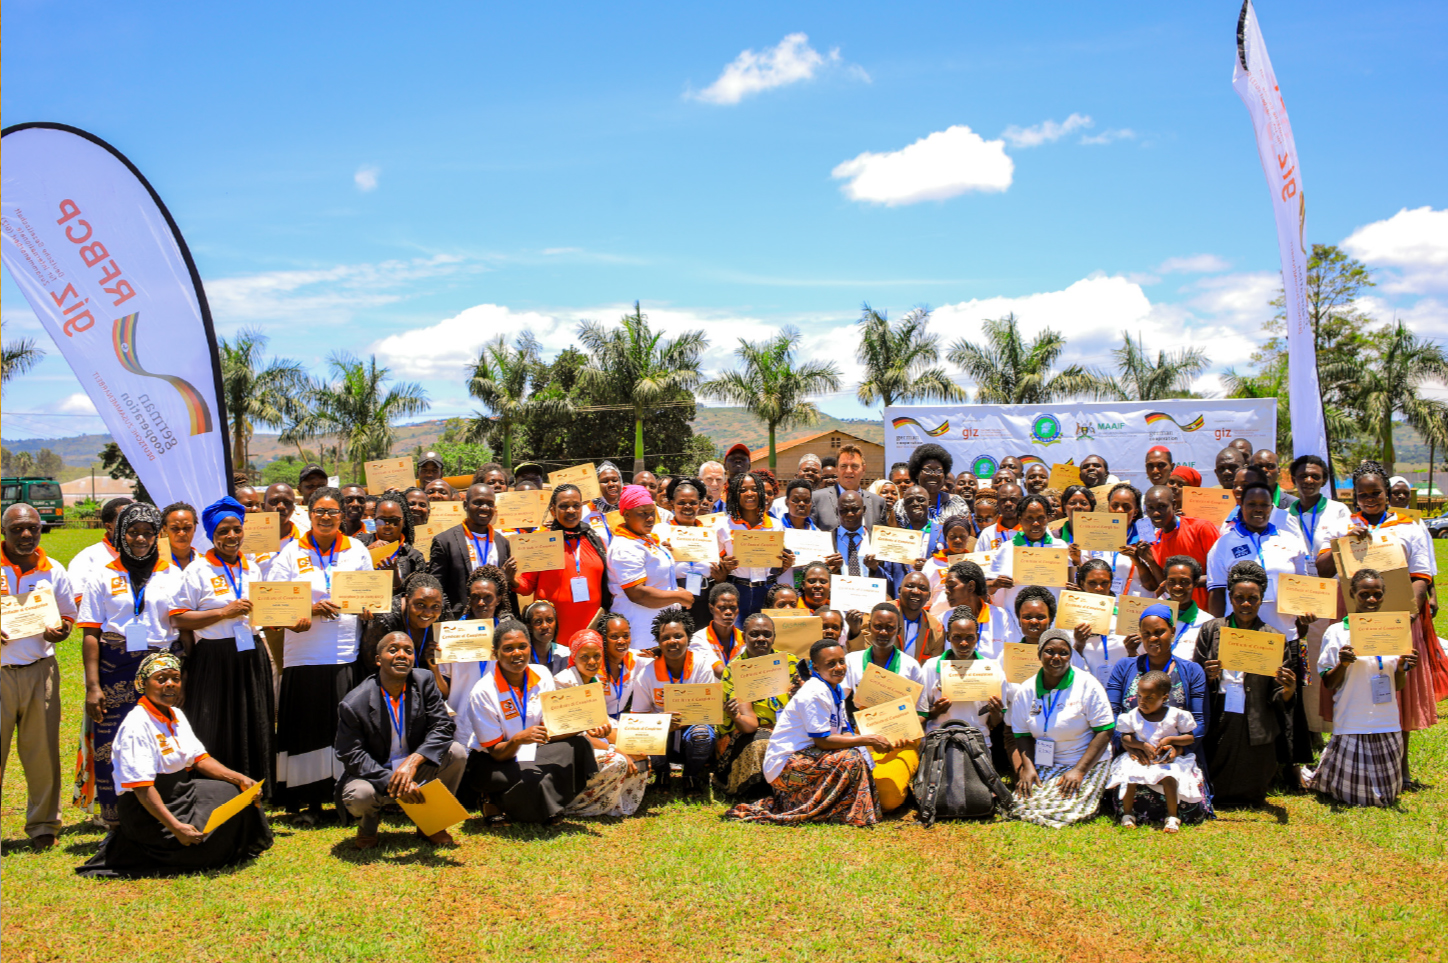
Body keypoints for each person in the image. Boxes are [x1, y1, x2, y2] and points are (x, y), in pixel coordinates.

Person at [76, 653, 272, 877]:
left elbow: (200, 759)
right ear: (142, 684)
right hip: (148, 812)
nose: (170, 684)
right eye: (161, 679)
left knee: (236, 792)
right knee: (202, 853)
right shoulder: (136, 725)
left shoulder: (175, 713)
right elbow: (142, 788)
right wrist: (176, 828)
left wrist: (239, 778)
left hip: (182, 792)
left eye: (175, 678)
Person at [1314, 461, 1444, 787]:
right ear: (1354, 497)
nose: (1370, 499)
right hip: (1353, 616)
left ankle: (1401, 767)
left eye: (1376, 493)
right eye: (1363, 494)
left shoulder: (1409, 527)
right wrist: (1342, 542)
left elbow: (1421, 574)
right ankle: (1349, 756)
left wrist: (1409, 609)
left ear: (1387, 493)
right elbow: (1322, 569)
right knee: (1355, 681)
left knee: (1398, 687)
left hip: (1397, 617)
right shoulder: (1343, 525)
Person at [75, 502, 185, 827]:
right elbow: (91, 633)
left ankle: (157, 819)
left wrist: (184, 674)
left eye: (148, 533)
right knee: (111, 745)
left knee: (159, 740)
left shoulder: (171, 573)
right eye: (133, 532)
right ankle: (115, 822)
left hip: (159, 669)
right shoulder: (101, 575)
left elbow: (180, 625)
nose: (140, 539)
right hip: (114, 670)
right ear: (121, 534)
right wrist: (93, 686)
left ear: (157, 536)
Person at [270, 487, 375, 822]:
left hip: (345, 654)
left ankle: (343, 796)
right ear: (309, 514)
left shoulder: (356, 550)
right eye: (319, 511)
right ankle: (307, 803)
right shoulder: (289, 552)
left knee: (340, 729)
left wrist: (369, 608)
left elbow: (370, 594)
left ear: (342, 516)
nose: (326, 517)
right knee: (307, 730)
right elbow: (272, 608)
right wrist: (312, 609)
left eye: (332, 512)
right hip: (304, 657)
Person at [169, 497, 275, 793]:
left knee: (253, 721)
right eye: (223, 532)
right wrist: (223, 613)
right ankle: (216, 790)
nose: (231, 537)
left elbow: (265, 609)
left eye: (236, 530)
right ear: (212, 536)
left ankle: (255, 790)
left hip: (251, 654)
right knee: (215, 724)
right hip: (214, 658)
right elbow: (179, 618)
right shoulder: (198, 570)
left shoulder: (253, 567)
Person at [725, 639, 888, 826]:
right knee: (851, 757)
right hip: (784, 767)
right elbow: (824, 742)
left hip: (808, 757)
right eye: (831, 664)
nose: (839, 667)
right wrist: (868, 739)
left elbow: (844, 732)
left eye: (841, 661)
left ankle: (844, 811)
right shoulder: (814, 692)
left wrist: (869, 741)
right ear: (815, 667)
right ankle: (846, 813)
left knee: (856, 753)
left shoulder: (835, 690)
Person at [461, 619, 600, 824]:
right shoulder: (482, 691)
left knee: (579, 745)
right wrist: (518, 740)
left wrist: (585, 725)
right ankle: (491, 798)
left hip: (532, 750)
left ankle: (532, 800)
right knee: (533, 777)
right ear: (495, 653)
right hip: (493, 760)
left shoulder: (542, 674)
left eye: (522, 646)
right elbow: (497, 753)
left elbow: (551, 728)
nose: (517, 653)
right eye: (508, 648)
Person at [336, 630, 467, 848]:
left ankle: (431, 823)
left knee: (456, 753)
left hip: (416, 768)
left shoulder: (424, 681)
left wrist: (413, 762)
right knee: (359, 795)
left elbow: (443, 726)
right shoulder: (354, 703)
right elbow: (351, 754)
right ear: (378, 660)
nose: (401, 655)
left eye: (408, 651)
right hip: (375, 774)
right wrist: (392, 780)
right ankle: (368, 827)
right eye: (393, 650)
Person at [1, 503, 78, 849]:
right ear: (4, 531)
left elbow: (67, 614)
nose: (26, 535)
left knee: (42, 752)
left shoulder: (54, 571)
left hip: (39, 670)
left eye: (32, 527)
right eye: (17, 529)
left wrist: (61, 631)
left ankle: (44, 825)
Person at [1308, 568, 1417, 807]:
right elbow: (1329, 682)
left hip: (1386, 723)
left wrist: (1400, 667)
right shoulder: (1336, 632)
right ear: (1352, 594)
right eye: (1364, 594)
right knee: (1355, 797)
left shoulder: (1394, 631)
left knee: (1386, 796)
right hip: (1352, 722)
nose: (1371, 600)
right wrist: (1343, 664)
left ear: (1383, 595)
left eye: (1377, 594)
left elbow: (1398, 685)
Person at [1192, 561, 1297, 807]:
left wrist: (1289, 690)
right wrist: (1207, 675)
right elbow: (1194, 678)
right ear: (1230, 598)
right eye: (1240, 598)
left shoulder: (1272, 638)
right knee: (1218, 752)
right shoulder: (1211, 630)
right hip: (1220, 710)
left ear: (1261, 599)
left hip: (1257, 713)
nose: (1246, 604)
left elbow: (1278, 695)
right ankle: (1214, 793)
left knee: (1253, 761)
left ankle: (1249, 794)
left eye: (1253, 598)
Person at [1104, 604, 1210, 825]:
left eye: (1159, 632)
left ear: (1172, 630)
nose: (1153, 639)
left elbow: (1199, 722)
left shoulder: (1191, 671)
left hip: (1175, 756)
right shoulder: (1124, 667)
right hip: (1135, 755)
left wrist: (1178, 748)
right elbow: (1111, 715)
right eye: (1147, 634)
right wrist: (1131, 746)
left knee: (1186, 800)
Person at [1007, 628, 1116, 828]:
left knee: (1061, 810)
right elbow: (1022, 734)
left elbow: (1105, 730)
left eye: (1064, 652)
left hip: (1084, 761)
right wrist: (1028, 768)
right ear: (1039, 654)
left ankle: (1088, 799)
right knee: (1021, 803)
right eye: (1049, 651)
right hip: (1046, 762)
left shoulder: (1088, 685)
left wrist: (1079, 771)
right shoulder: (1026, 690)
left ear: (1071, 655)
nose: (1056, 657)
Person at [550, 629, 649, 817]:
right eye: (585, 656)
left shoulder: (593, 680)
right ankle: (578, 806)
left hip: (592, 738)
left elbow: (601, 721)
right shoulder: (563, 682)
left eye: (596, 656)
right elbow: (577, 733)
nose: (592, 662)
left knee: (639, 749)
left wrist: (631, 746)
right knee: (618, 761)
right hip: (571, 744)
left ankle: (617, 803)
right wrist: (618, 750)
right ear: (574, 656)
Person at [843, 602, 922, 813]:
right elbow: (840, 703)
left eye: (890, 627)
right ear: (870, 628)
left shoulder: (911, 665)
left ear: (899, 630)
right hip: (862, 739)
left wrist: (906, 731)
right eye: (878, 626)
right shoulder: (852, 661)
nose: (883, 632)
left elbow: (921, 712)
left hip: (899, 742)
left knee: (887, 798)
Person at [629, 606, 718, 791]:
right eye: (665, 638)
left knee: (702, 733)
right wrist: (663, 723)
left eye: (678, 636)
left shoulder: (701, 667)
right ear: (659, 643)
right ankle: (662, 772)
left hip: (691, 730)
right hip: (663, 736)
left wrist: (682, 721)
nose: (672, 641)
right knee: (648, 732)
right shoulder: (646, 674)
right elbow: (637, 718)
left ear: (688, 638)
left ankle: (691, 774)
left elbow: (708, 713)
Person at [1206, 479, 1309, 638]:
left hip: (1285, 635)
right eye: (1252, 504)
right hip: (1239, 637)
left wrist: (1304, 620)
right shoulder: (1223, 545)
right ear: (1241, 506)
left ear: (1271, 508)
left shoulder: (1291, 541)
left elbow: (1303, 587)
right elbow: (1217, 593)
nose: (1258, 509)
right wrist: (1218, 634)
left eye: (1264, 505)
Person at [511, 483, 609, 646]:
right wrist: (511, 578)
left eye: (576, 505)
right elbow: (526, 586)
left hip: (591, 634)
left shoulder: (594, 540)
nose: (571, 511)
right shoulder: (540, 541)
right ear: (552, 510)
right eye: (564, 506)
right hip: (553, 635)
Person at [717, 613, 800, 798]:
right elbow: (747, 723)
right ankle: (759, 792)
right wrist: (735, 716)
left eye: (766, 634)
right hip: (746, 732)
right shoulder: (734, 670)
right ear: (743, 636)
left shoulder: (791, 663)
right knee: (762, 744)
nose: (761, 639)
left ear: (774, 637)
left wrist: (799, 695)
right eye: (754, 634)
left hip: (787, 727)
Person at [1108, 670, 1202, 833]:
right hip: (1141, 758)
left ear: (1164, 697)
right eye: (1139, 697)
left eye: (1149, 698)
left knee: (1170, 778)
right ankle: (1127, 814)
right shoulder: (1132, 716)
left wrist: (1170, 740)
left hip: (1165, 760)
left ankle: (1172, 817)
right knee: (1130, 777)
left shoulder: (1176, 715)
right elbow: (1125, 738)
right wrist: (1141, 745)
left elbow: (1189, 738)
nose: (1142, 702)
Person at [917, 608, 1010, 761]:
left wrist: (996, 713)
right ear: (948, 637)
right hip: (939, 741)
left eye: (970, 637)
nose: (963, 643)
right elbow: (922, 713)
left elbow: (994, 722)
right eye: (957, 637)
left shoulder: (992, 670)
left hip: (978, 743)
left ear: (977, 637)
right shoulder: (932, 667)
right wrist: (935, 712)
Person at [607, 485, 692, 649]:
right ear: (626, 515)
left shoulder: (644, 539)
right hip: (642, 631)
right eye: (643, 513)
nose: (650, 518)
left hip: (659, 627)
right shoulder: (625, 547)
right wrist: (677, 597)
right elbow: (638, 594)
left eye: (652, 512)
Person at [429, 483, 515, 620]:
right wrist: (449, 622)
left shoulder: (502, 543)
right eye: (478, 503)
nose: (485, 508)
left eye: (490, 504)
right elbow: (436, 588)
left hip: (495, 621)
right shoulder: (445, 541)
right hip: (458, 623)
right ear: (465, 505)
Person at [718, 471, 794, 623]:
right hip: (737, 591)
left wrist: (785, 564)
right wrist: (723, 566)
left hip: (768, 590)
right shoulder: (722, 526)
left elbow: (776, 566)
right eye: (742, 490)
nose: (749, 493)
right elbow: (716, 565)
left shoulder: (776, 525)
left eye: (754, 488)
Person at [1135, 484, 1219, 610]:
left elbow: (1220, 575)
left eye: (1162, 507)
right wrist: (1150, 561)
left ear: (1174, 505)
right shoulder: (1154, 542)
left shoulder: (1201, 528)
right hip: (1179, 615)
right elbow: (1166, 585)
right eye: (1150, 508)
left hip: (1208, 611)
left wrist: (1184, 582)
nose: (1156, 513)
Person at [657, 475, 724, 629]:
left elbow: (720, 566)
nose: (687, 507)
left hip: (705, 598)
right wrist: (661, 553)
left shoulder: (710, 533)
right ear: (672, 503)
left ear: (700, 504)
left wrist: (721, 575)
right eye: (681, 503)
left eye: (693, 503)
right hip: (673, 598)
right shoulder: (659, 531)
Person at [986, 494, 1066, 615]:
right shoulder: (1007, 548)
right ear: (1020, 520)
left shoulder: (1060, 547)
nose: (1036, 523)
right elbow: (987, 589)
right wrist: (996, 584)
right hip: (1016, 622)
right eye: (1029, 518)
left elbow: (1070, 585)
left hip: (1051, 621)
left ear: (1048, 518)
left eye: (1041, 518)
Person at [360, 572, 448, 678]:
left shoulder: (443, 615)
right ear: (407, 600)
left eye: (435, 606)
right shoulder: (385, 619)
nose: (428, 613)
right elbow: (371, 665)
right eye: (421, 604)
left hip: (429, 680)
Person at [67, 496, 132, 604]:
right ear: (109, 527)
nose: (132, 524)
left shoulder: (157, 554)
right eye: (125, 520)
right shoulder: (87, 559)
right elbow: (77, 599)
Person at [811, 444, 889, 529]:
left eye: (854, 466)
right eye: (843, 466)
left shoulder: (877, 503)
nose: (848, 471)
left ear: (863, 469)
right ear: (837, 469)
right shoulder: (817, 500)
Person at [894, 443, 970, 528]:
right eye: (927, 470)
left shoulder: (957, 503)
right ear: (916, 473)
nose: (933, 475)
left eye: (938, 470)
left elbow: (968, 537)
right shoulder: (902, 506)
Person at [1154, 555, 1216, 660]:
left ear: (1195, 583)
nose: (1177, 587)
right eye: (1172, 581)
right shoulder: (1153, 616)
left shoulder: (1207, 623)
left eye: (1184, 582)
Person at [690, 582, 742, 676]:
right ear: (711, 608)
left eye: (733, 608)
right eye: (722, 608)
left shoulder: (745, 639)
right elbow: (720, 672)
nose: (728, 612)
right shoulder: (698, 639)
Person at [522, 599, 568, 672]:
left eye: (549, 620)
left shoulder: (566, 654)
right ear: (529, 627)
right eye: (538, 621)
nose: (545, 626)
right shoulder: (522, 657)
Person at [975, 482, 1022, 552]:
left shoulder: (1031, 531)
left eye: (1013, 500)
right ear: (998, 504)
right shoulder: (987, 534)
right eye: (1003, 500)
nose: (1008, 503)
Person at [159, 502, 200, 570]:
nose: (181, 533)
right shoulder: (155, 563)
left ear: (194, 527)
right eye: (175, 528)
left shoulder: (205, 563)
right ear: (164, 528)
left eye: (187, 528)